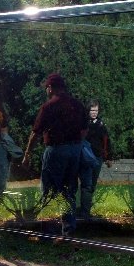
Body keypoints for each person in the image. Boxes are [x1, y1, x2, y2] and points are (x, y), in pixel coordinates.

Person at [22, 73, 87, 235]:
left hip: (56, 149)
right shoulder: (77, 105)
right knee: (69, 188)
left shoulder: (49, 106)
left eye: (47, 88)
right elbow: (85, 129)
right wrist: (77, 145)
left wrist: (27, 154)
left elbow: (36, 133)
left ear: (50, 88)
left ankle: (49, 228)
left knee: (50, 187)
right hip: (75, 149)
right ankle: (68, 228)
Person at [79, 99, 112, 221]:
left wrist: (108, 157)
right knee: (87, 185)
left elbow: (107, 141)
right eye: (92, 110)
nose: (94, 112)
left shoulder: (101, 124)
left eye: (96, 110)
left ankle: (85, 210)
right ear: (88, 110)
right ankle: (84, 214)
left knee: (92, 185)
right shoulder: (83, 124)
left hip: (98, 158)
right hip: (86, 158)